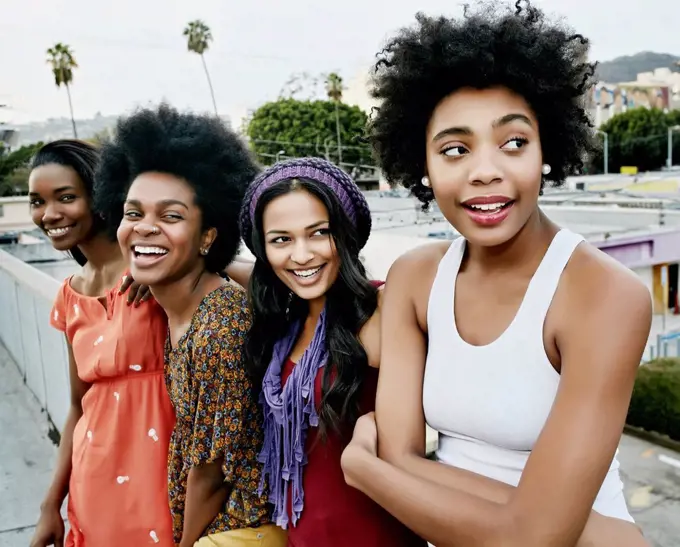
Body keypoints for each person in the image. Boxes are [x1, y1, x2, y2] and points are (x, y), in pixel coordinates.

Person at [340, 3, 652, 547]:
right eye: (455, 149)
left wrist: (368, 474)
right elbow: (398, 450)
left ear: (546, 150)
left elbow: (536, 539)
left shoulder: (603, 294)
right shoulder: (415, 278)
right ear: (424, 166)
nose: (486, 170)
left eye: (513, 142)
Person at [96, 104, 286, 547]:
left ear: (208, 236)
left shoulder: (219, 327)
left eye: (171, 216)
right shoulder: (176, 302)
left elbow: (213, 471)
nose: (145, 228)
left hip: (237, 527)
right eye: (133, 213)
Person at [238, 157, 426, 547]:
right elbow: (242, 270)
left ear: (346, 235)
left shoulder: (383, 309)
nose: (302, 255)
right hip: (299, 537)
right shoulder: (283, 324)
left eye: (319, 232)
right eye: (281, 240)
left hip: (374, 537)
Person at [27, 139, 175, 547]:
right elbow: (78, 405)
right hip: (94, 481)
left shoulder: (156, 265)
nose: (49, 214)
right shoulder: (69, 295)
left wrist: (163, 265)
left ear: (100, 194)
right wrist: (49, 506)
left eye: (66, 197)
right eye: (37, 201)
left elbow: (258, 292)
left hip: (165, 478)